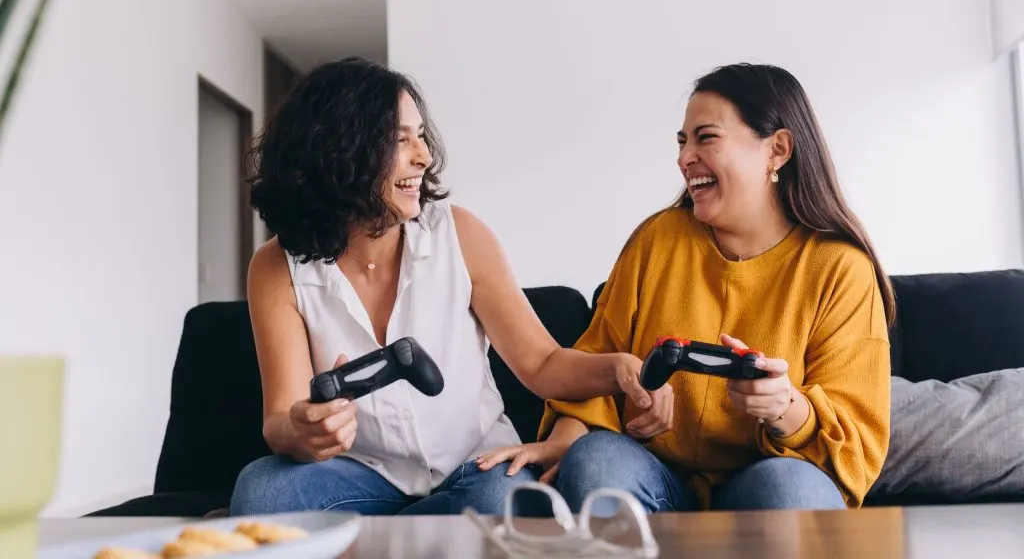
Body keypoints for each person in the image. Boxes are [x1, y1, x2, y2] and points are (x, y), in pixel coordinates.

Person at [228, 57, 670, 517]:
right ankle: (420, 534)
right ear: (340, 150)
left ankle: (384, 536)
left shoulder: (460, 234)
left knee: (505, 499)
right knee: (262, 489)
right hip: (359, 474)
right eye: (400, 140)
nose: (424, 156)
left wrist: (618, 368)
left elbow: (541, 364)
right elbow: (281, 417)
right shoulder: (276, 266)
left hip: (476, 468)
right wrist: (303, 431)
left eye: (420, 136)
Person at [476, 62, 894, 513]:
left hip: (770, 477)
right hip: (655, 476)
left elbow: (856, 443)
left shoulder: (840, 268)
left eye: (705, 137)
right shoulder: (657, 240)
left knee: (791, 492)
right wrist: (570, 438)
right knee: (596, 464)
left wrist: (784, 408)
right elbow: (595, 368)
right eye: (682, 141)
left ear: (777, 149)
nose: (684, 157)